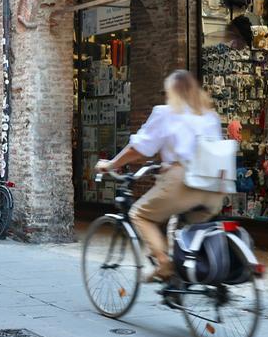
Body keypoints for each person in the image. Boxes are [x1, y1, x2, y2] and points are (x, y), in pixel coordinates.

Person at [95, 70, 226, 282]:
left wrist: (111, 164)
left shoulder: (166, 113)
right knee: (183, 226)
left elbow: (138, 149)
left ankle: (164, 264)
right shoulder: (209, 115)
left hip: (184, 181)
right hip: (214, 188)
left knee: (140, 214)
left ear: (171, 92)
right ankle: (185, 279)